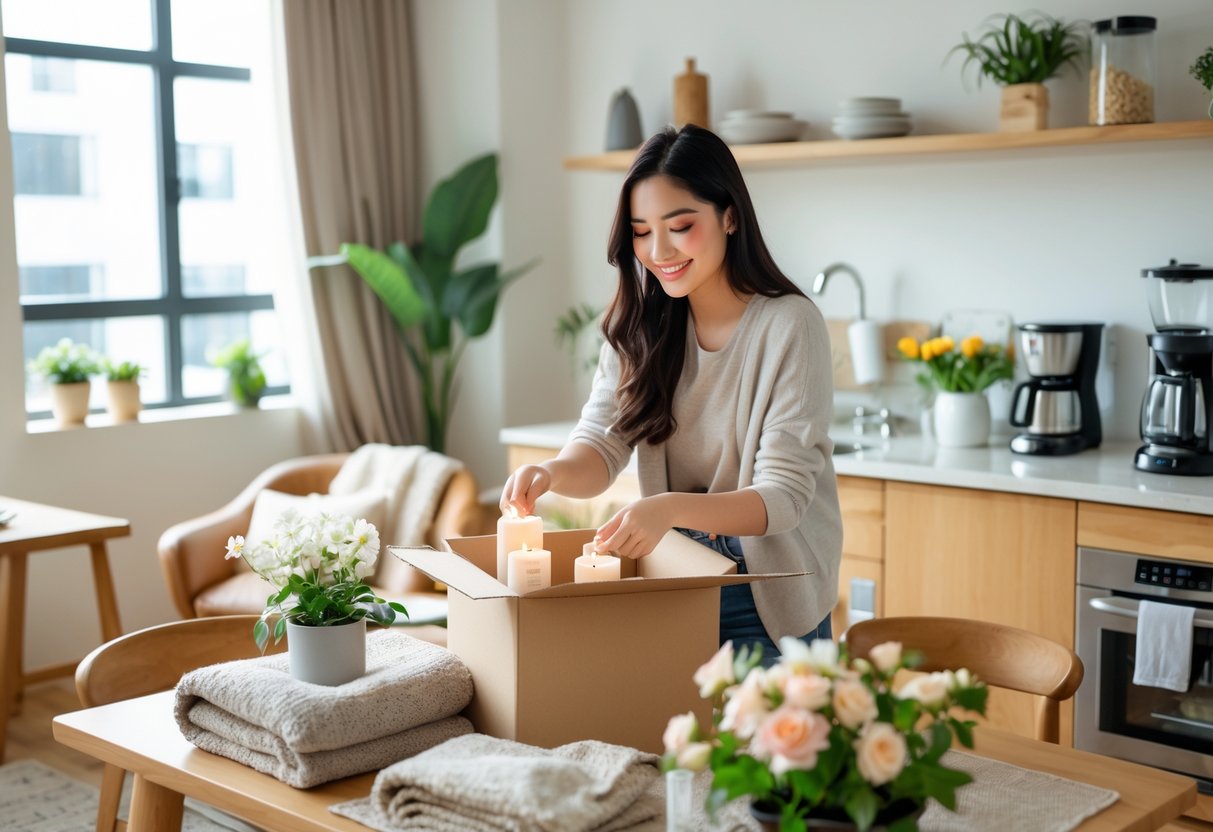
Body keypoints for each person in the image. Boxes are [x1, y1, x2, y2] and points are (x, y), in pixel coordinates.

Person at [500, 124, 841, 664]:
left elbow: (784, 498)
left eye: (680, 226)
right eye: (641, 231)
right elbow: (603, 443)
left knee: (762, 749)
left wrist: (665, 510)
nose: (659, 251)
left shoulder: (790, 326)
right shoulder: (640, 325)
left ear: (729, 216)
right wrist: (553, 472)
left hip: (770, 592)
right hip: (675, 573)